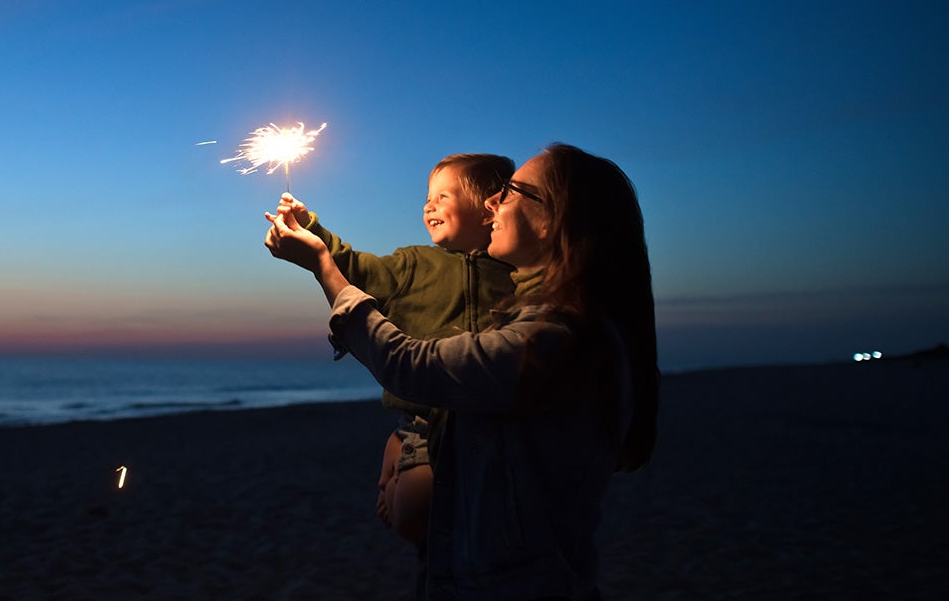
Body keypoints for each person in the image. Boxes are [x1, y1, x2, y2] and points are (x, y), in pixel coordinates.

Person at [265, 143, 659, 600]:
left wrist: (321, 266)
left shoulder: (557, 339)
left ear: (553, 219)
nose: (493, 201)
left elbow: (408, 367)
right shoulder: (543, 323)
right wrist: (406, 433)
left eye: (510, 192)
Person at [274, 153, 519, 553]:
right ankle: (403, 452)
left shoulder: (515, 273)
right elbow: (354, 268)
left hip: (484, 422)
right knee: (422, 527)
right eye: (427, 197)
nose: (429, 205)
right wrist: (312, 229)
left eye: (444, 196)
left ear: (490, 208)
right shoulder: (412, 264)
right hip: (423, 417)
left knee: (453, 528)